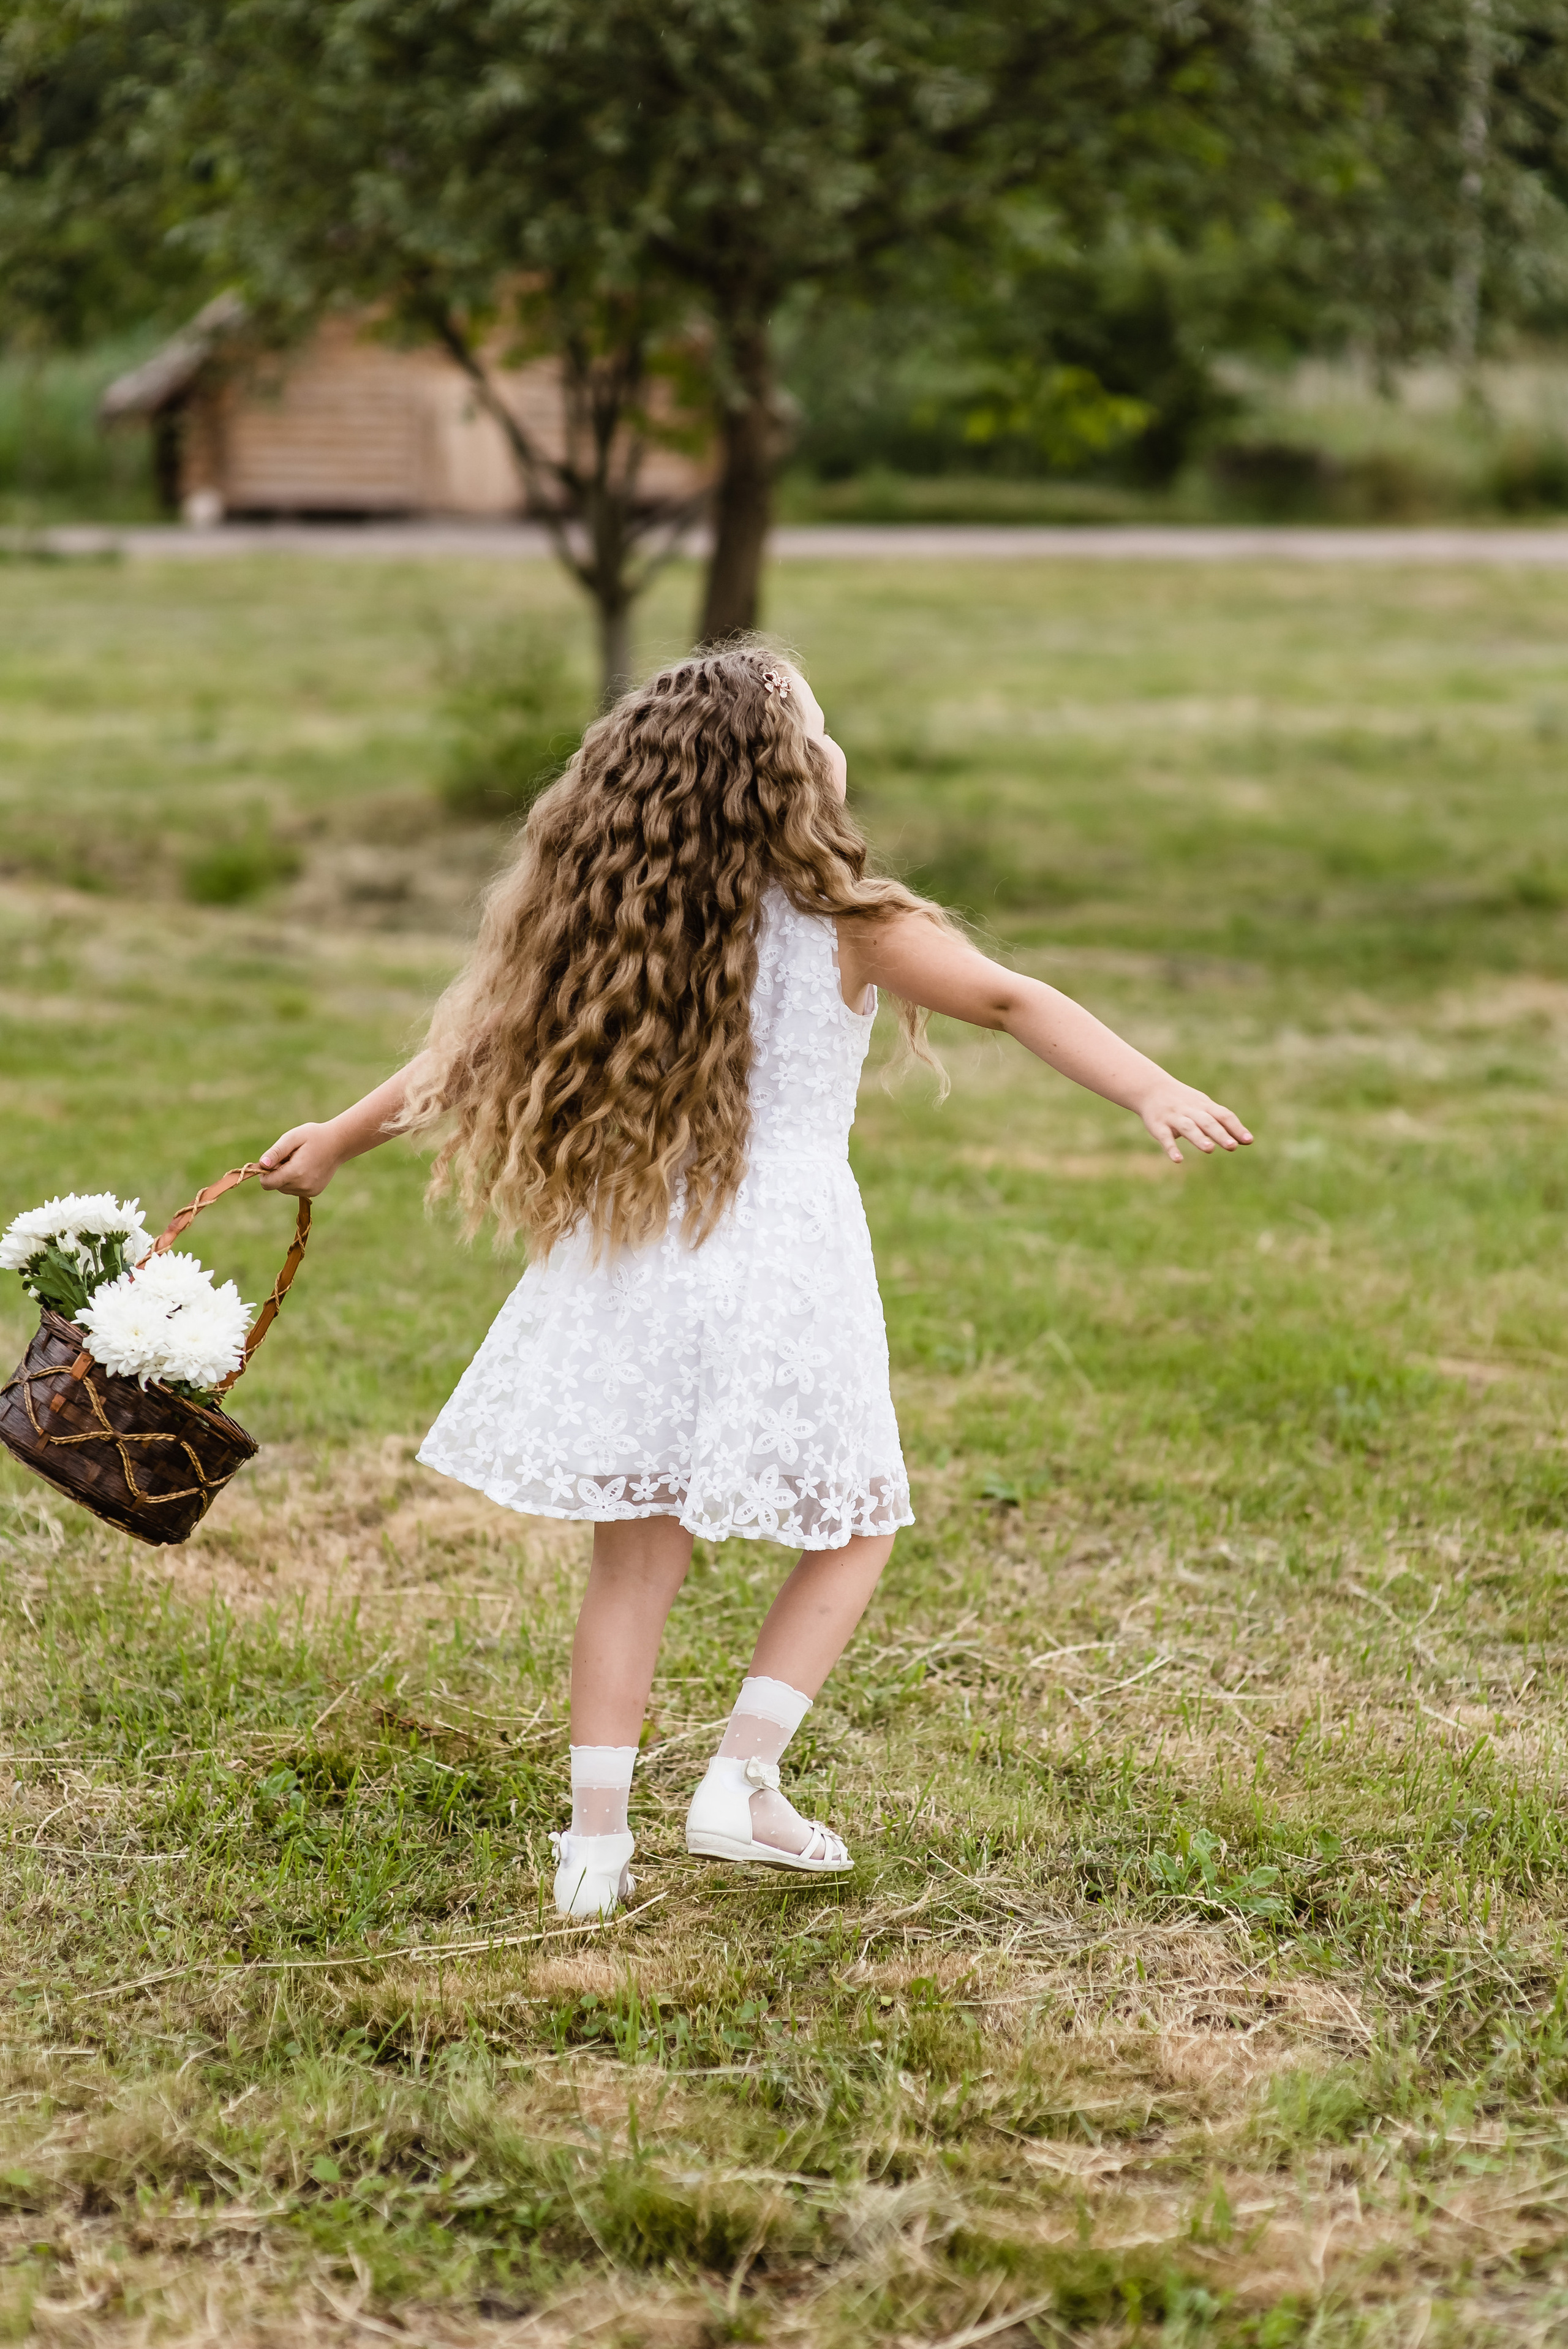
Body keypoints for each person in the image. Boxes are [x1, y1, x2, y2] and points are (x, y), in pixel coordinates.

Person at [259, 646, 1251, 1919]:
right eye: (818, 723)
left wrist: (339, 1137)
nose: (834, 742)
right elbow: (1006, 999)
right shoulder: (851, 923)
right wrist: (1149, 1086)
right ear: (788, 773)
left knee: (635, 1556)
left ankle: (593, 1849)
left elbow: (464, 1053)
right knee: (856, 1522)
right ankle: (741, 1780)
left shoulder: (615, 923)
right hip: (781, 1261)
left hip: (638, 1263)